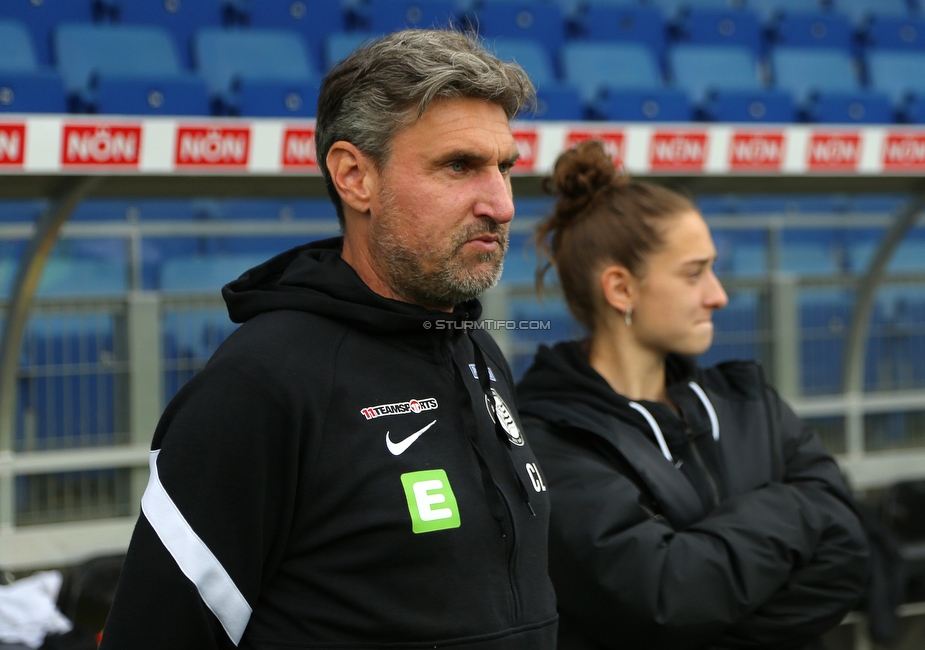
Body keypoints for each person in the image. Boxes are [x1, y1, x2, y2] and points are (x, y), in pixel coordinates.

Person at [101, 29, 558, 649]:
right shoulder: (260, 385)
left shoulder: (478, 354)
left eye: (504, 167)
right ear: (354, 176)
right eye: (459, 166)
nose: (501, 204)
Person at [516, 140, 870, 650]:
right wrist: (799, 507)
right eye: (694, 272)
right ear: (621, 289)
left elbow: (850, 555)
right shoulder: (549, 443)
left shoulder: (751, 403)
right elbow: (666, 594)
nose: (718, 294)